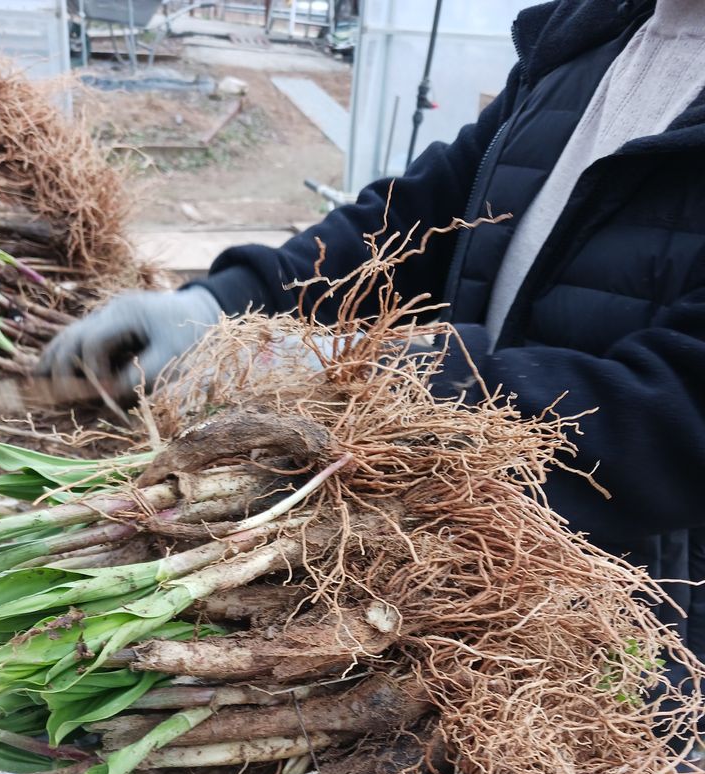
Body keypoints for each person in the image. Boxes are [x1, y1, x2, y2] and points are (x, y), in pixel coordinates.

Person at [40, 0, 705, 695]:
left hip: (615, 625)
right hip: (438, 551)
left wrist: (393, 374)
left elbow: (681, 411)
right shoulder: (594, 30)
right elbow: (425, 211)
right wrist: (225, 300)